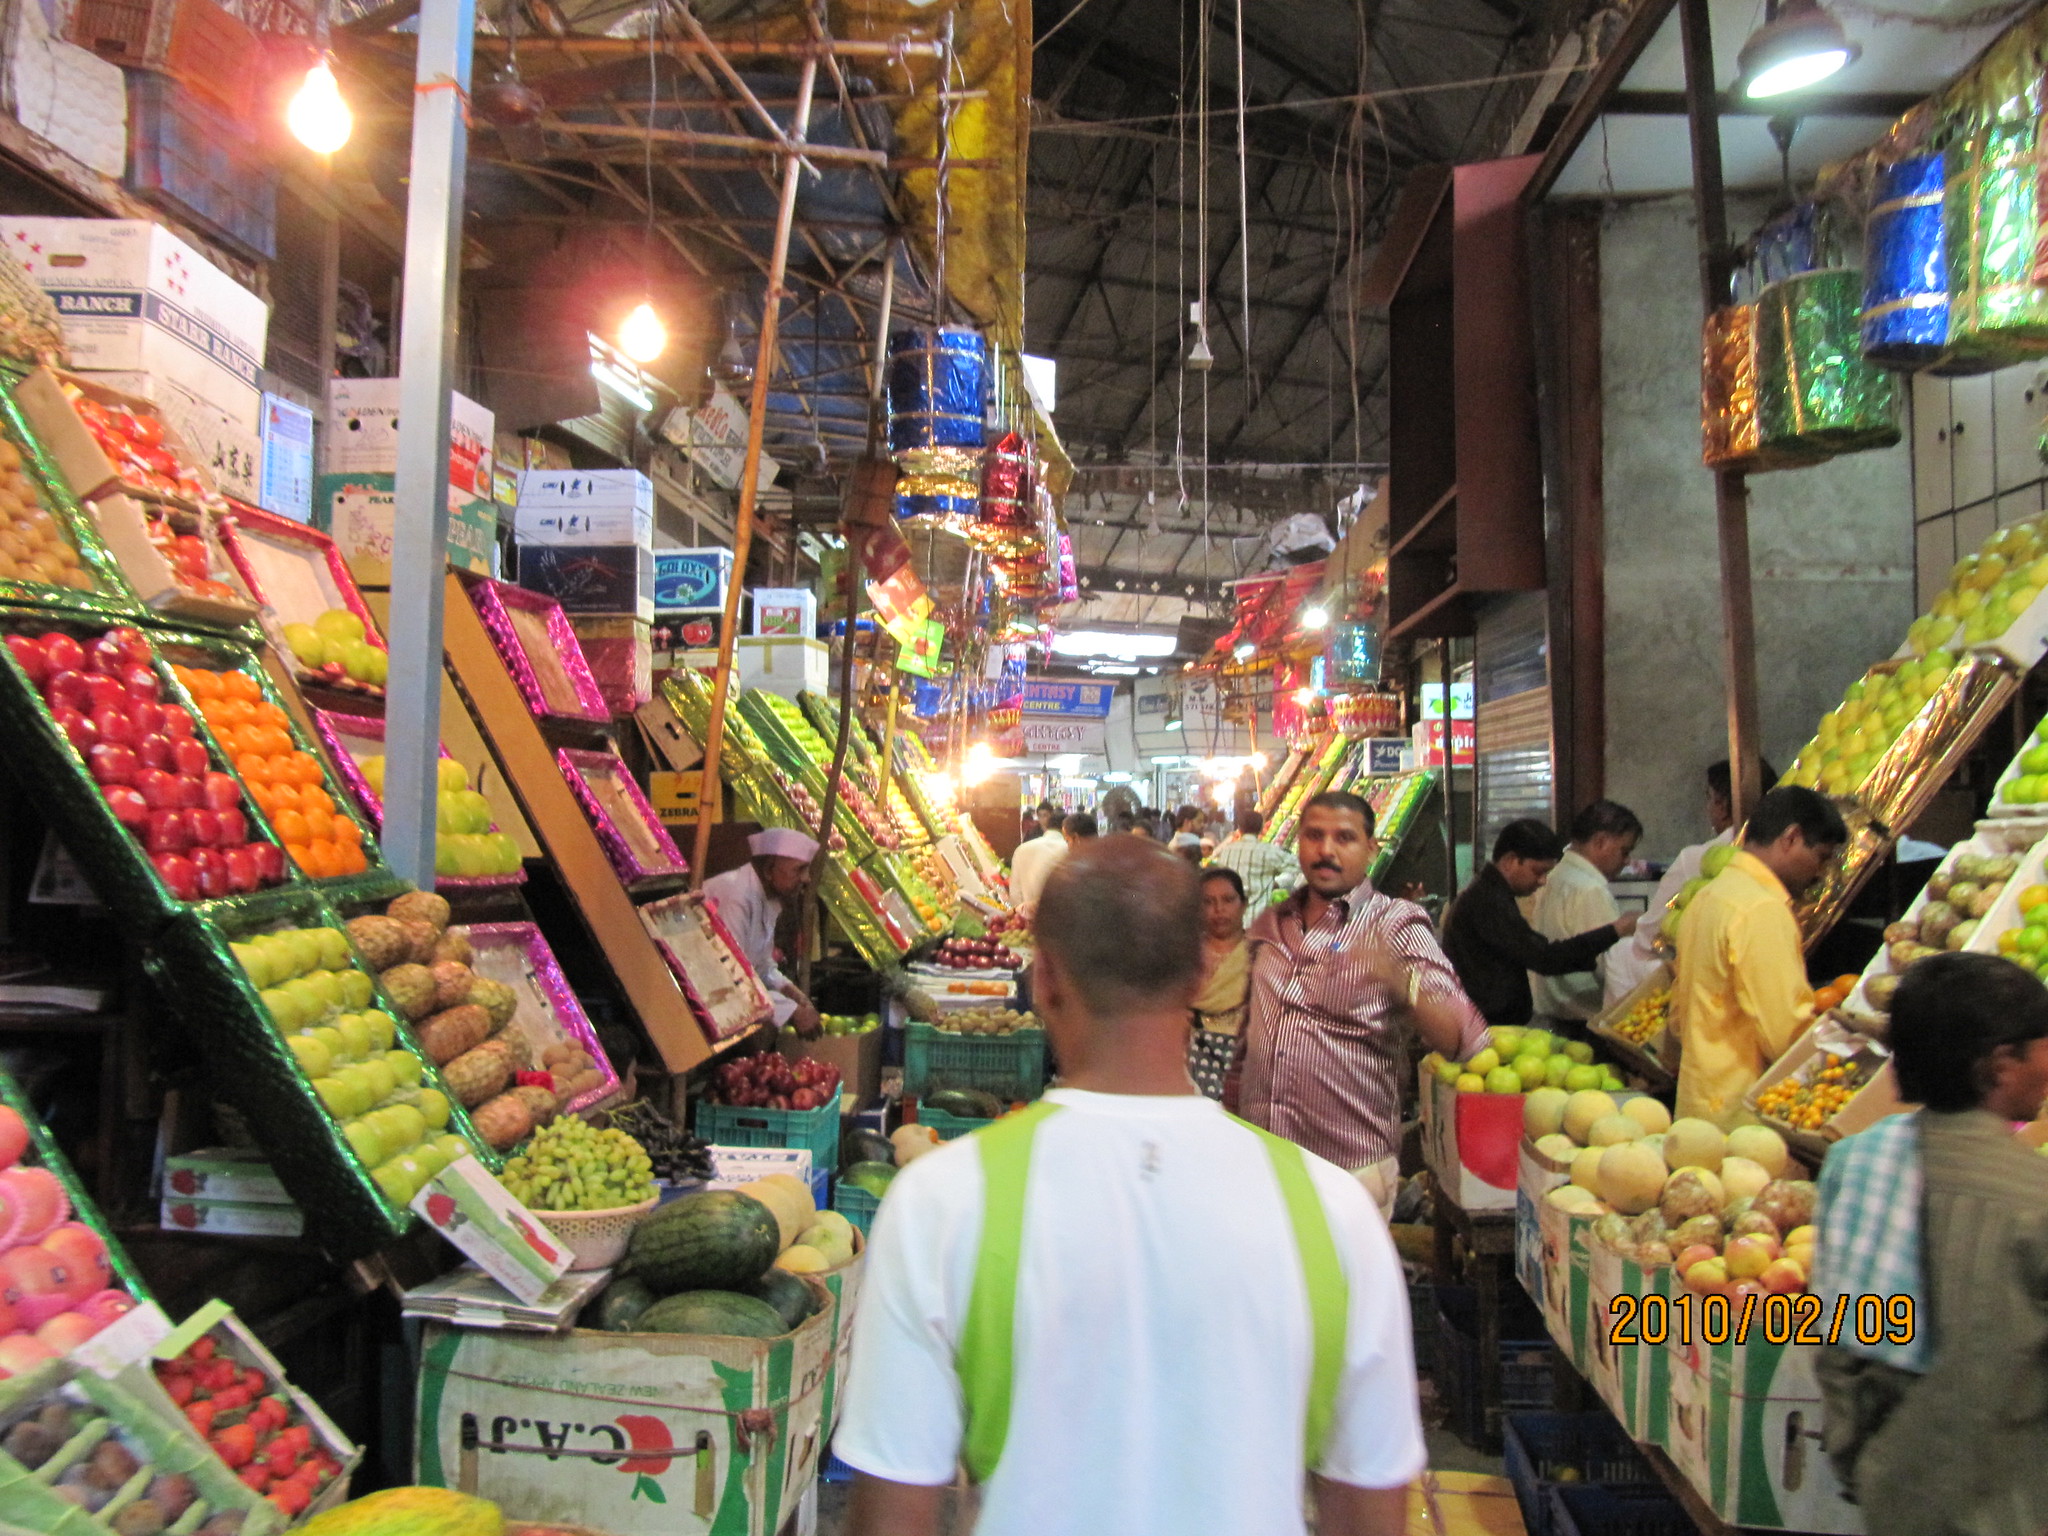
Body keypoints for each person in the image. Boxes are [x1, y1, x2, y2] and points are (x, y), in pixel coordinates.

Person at [839, 837, 1426, 1536]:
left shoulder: (941, 1205)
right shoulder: (1336, 1216)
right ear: (1199, 978)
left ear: (1045, 979)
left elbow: (891, 1519)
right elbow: (1371, 1516)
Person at [1813, 951, 2048, 1536]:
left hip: (1885, 1475)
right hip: (1992, 1493)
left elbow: (1840, 1331)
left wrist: (1859, 1453)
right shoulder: (2028, 1197)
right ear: (2000, 1064)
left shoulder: (1853, 1157)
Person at [1233, 791, 1491, 1218]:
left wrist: (1397, 978)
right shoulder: (1272, 925)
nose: (1326, 850)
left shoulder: (1395, 925)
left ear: (1371, 850)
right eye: (1314, 836)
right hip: (1266, 1166)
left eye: (1345, 838)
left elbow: (1465, 1041)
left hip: (1348, 1172)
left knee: (1342, 1286)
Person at [1671, 784, 1846, 1127]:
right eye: (1821, 857)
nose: (1821, 873)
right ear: (1791, 838)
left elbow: (1678, 1016)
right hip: (1744, 1117)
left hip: (1698, 1104)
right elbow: (1784, 1032)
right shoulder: (1761, 909)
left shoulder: (1708, 896)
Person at [1604, 758, 1776, 1007]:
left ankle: (1618, 1040)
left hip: (1708, 975)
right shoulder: (1776, 851)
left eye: (1710, 798)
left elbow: (1647, 938)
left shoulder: (1697, 858)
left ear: (1721, 803)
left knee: (1620, 954)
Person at [1441, 820, 1638, 1029]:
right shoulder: (1486, 901)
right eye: (1538, 871)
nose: (1543, 881)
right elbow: (1544, 957)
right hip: (1486, 1026)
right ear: (1510, 861)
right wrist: (1615, 930)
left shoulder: (1491, 894)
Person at [1530, 800, 1643, 1030]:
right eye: (1624, 851)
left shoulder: (1556, 875)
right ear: (1601, 842)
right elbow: (1611, 967)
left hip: (1551, 1016)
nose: (1627, 861)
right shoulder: (1589, 889)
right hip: (1581, 1021)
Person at [701, 828, 823, 1035]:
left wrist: (791, 992)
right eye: (799, 870)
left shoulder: (767, 897)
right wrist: (791, 1011)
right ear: (768, 871)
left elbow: (761, 965)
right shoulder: (737, 895)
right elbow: (731, 972)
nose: (806, 879)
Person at [1188, 867, 1251, 1098]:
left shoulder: (1262, 955)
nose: (1219, 910)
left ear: (1243, 904)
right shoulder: (1183, 955)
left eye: (1228, 900)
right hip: (1185, 1067)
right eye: (1208, 902)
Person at [1209, 808, 1296, 921]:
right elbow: (1299, 866)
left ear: (1239, 829)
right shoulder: (1268, 851)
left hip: (1233, 922)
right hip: (1258, 923)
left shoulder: (1226, 851)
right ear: (1261, 828)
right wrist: (1278, 882)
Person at [1008, 807, 1081, 916]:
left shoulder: (1022, 849)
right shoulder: (1069, 850)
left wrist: (1022, 915)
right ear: (1066, 829)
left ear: (1046, 827)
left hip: (1025, 919)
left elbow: (1014, 892)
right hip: (1057, 920)